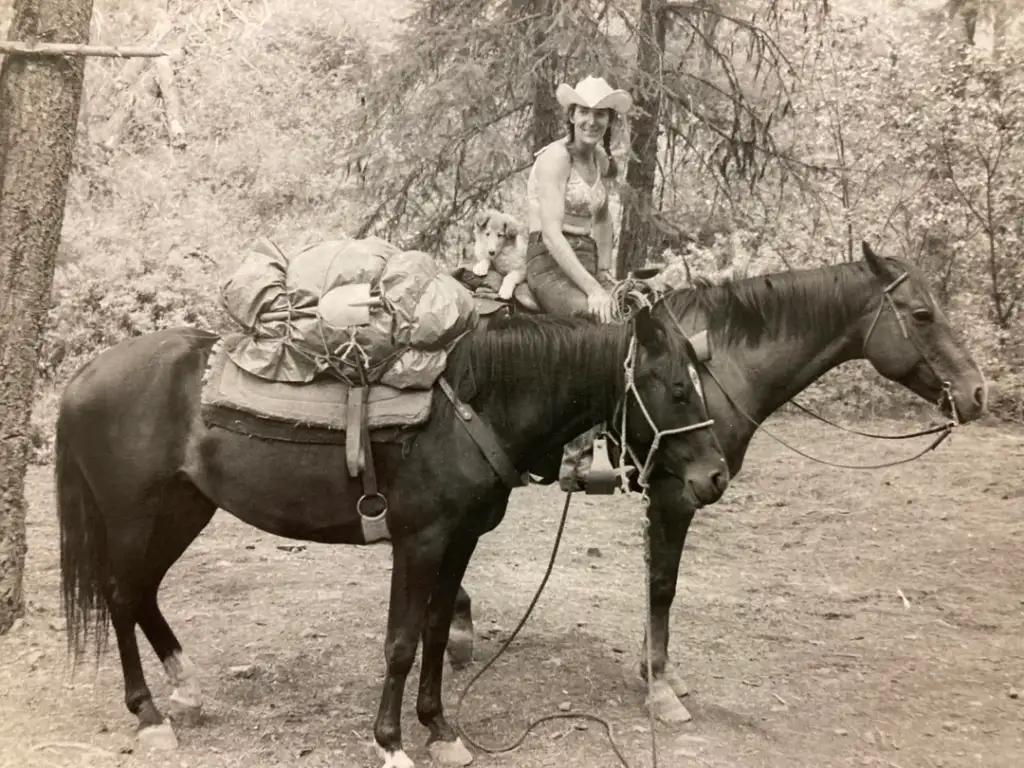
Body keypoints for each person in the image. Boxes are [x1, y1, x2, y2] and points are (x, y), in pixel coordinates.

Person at [525, 75, 633, 324]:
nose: (591, 121)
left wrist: (604, 270)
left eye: (600, 114)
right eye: (584, 112)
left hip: (587, 260)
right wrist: (593, 289)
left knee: (635, 309)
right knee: (597, 320)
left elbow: (603, 218)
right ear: (572, 116)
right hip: (548, 261)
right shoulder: (556, 158)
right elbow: (551, 235)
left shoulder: (600, 160)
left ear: (609, 120)